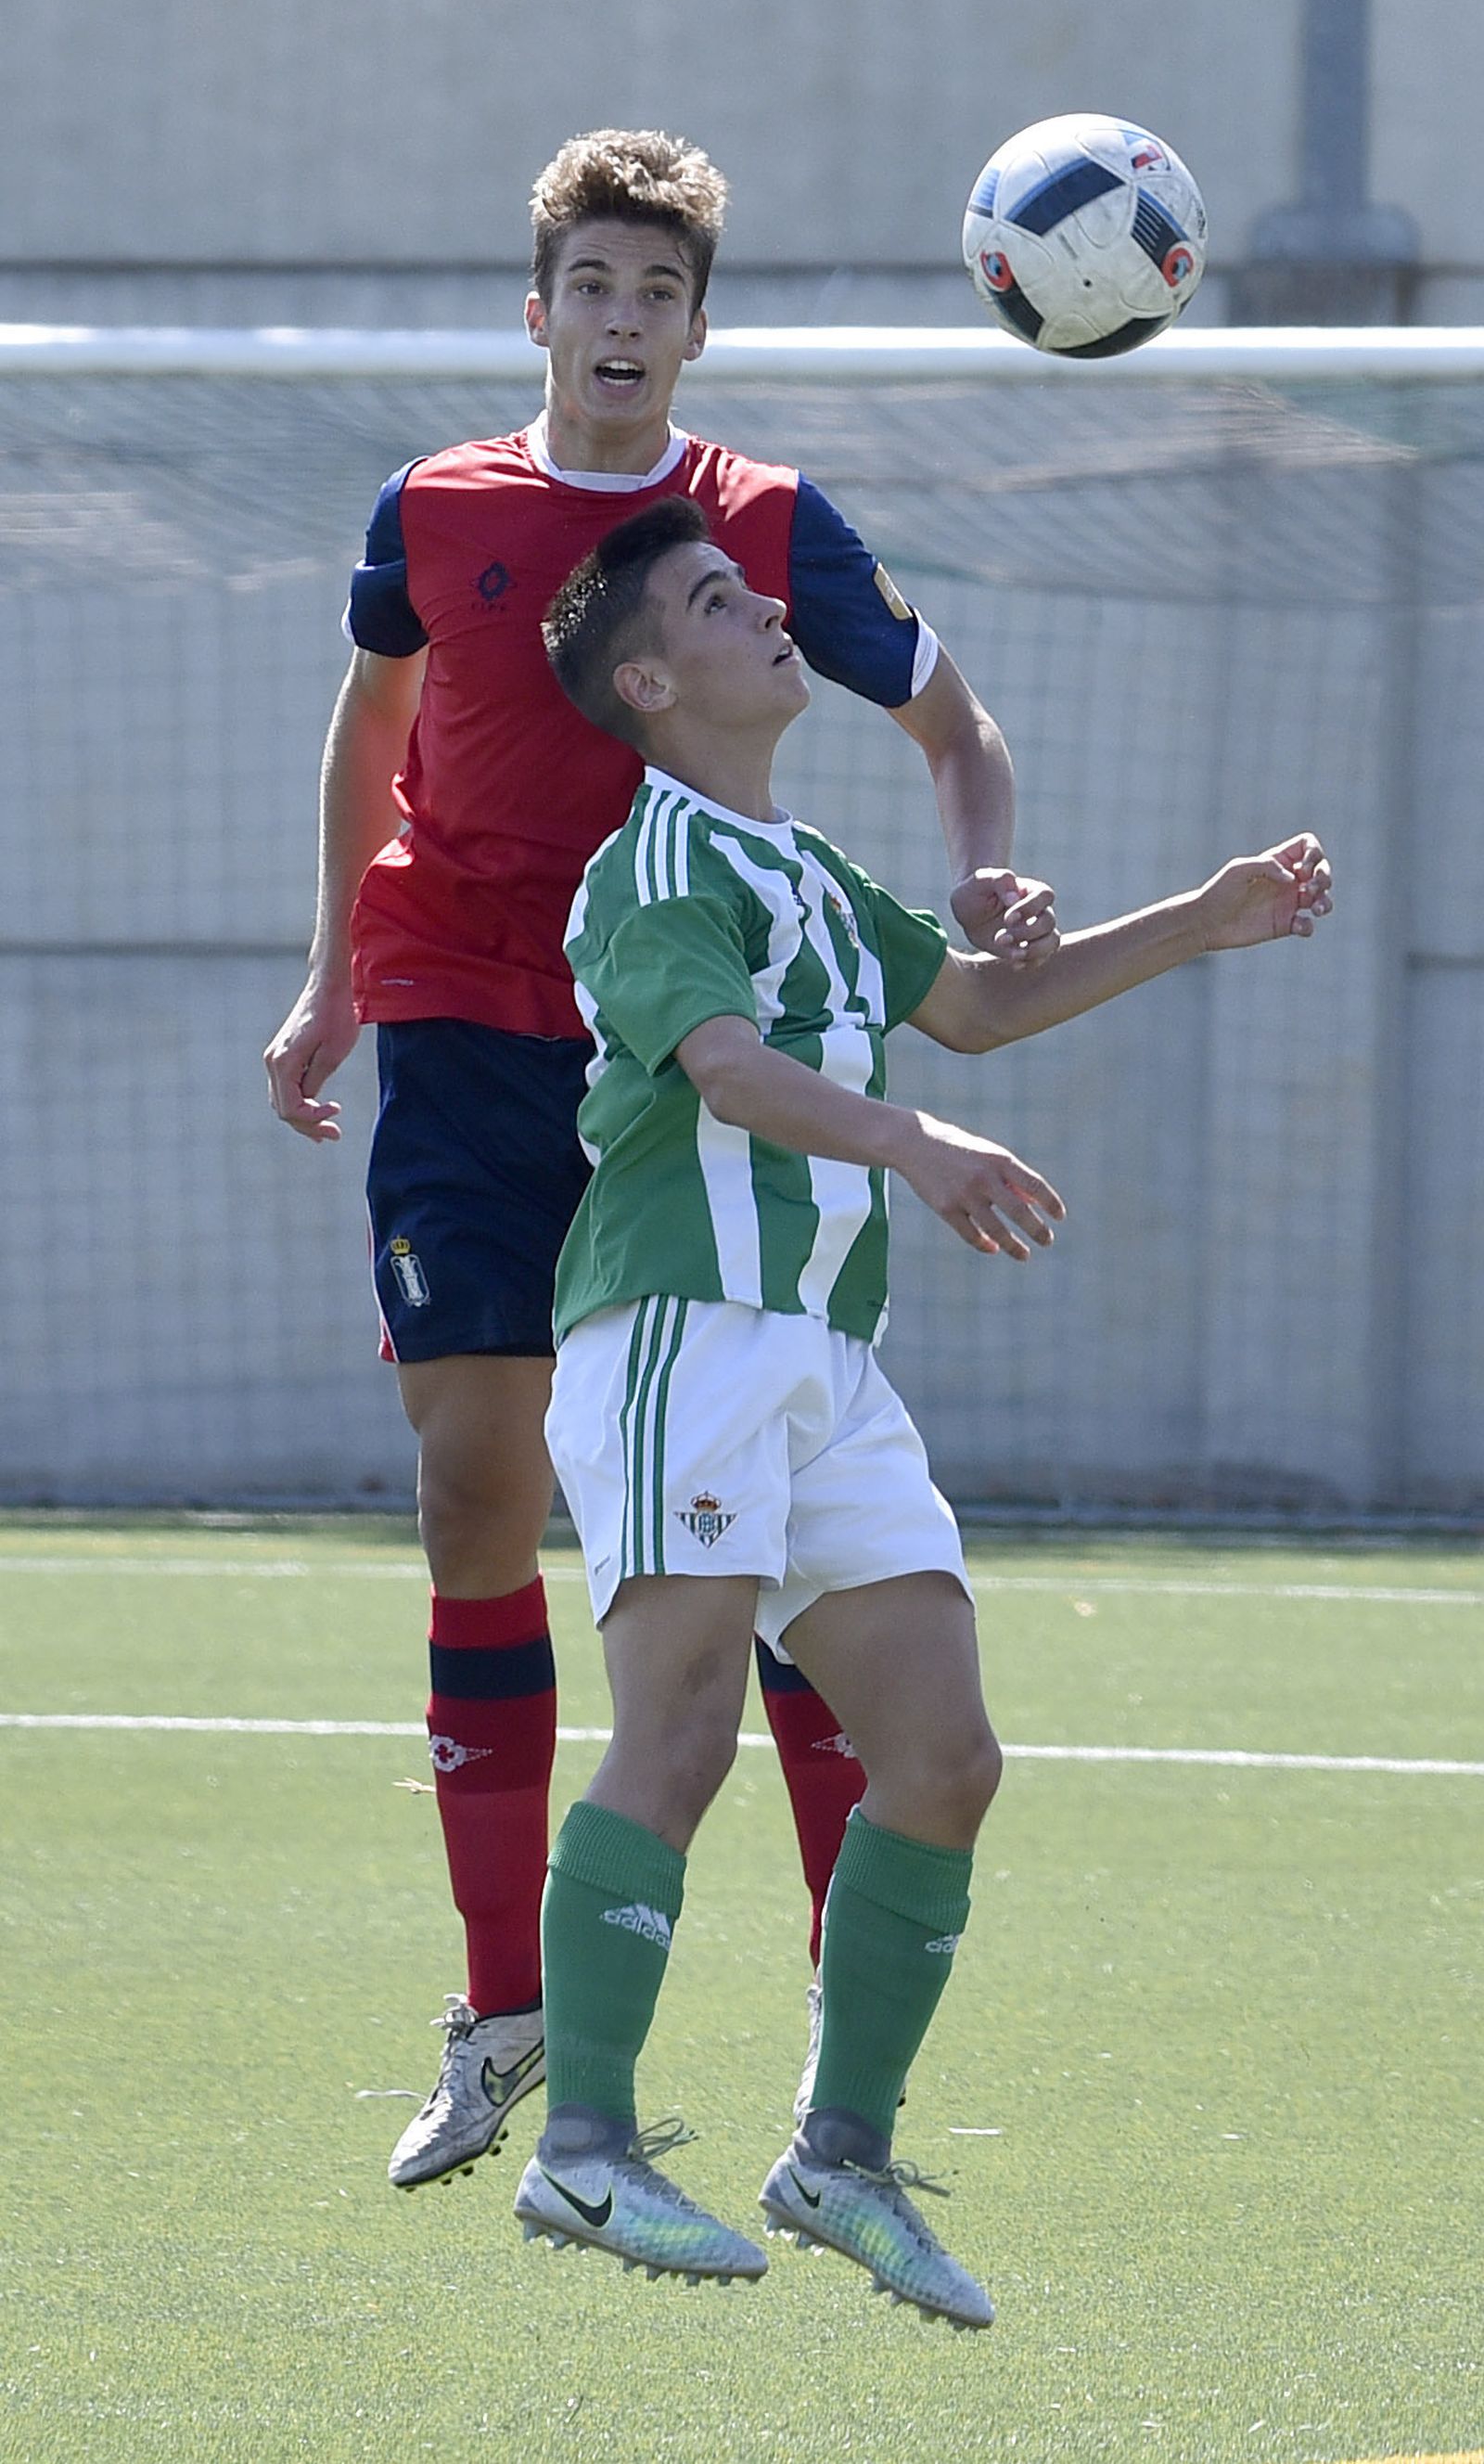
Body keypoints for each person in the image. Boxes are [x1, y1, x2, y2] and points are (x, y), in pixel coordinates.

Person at [261, 127, 1059, 2191]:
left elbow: (953, 726)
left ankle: (831, 2012)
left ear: (699, 327)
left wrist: (982, 884)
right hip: (459, 1019)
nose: (623, 324)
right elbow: (370, 737)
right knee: (471, 1494)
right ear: (539, 312)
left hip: (692, 1071)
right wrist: (334, 973)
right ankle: (503, 2010)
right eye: (591, 288)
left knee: (770, 1514)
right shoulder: (430, 509)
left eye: (659, 294)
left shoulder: (762, 529)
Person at [518, 495, 1333, 2320]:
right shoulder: (654, 868)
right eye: (717, 601)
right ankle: (582, 2150)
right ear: (648, 680)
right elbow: (723, 1067)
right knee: (678, 1740)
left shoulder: (804, 866)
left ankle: (840, 2155)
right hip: (681, 1335)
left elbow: (967, 1002)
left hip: (819, 1357)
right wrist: (912, 1140)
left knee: (945, 1757)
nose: (763, 612)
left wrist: (1199, 920)